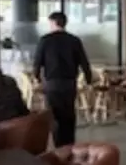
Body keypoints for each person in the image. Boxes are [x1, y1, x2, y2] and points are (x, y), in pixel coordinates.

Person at [32, 11, 92, 147]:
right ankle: (69, 144)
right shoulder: (74, 40)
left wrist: (37, 79)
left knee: (55, 115)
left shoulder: (45, 40)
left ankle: (58, 146)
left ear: (53, 22)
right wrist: (88, 80)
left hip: (52, 84)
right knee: (69, 114)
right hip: (69, 83)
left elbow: (37, 63)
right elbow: (84, 62)